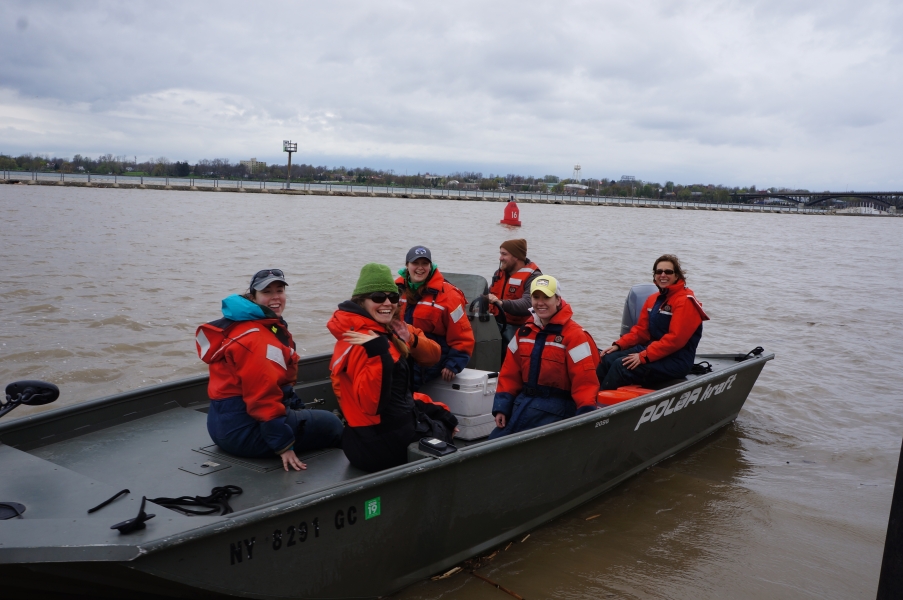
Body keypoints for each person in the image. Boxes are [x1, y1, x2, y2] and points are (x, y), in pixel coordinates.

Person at [197, 269, 344, 472]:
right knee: (332, 424)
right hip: (243, 432)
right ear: (252, 297)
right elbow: (262, 397)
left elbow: (276, 383)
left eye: (279, 290)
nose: (275, 297)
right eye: (267, 292)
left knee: (308, 415)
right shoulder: (257, 339)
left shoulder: (251, 324)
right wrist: (283, 445)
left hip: (222, 425)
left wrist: (296, 407)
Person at [327, 263, 459, 472]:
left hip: (370, 436)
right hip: (380, 445)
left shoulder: (382, 331)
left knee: (444, 415)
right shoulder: (366, 343)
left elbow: (403, 390)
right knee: (446, 434)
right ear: (361, 301)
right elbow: (373, 405)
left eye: (393, 297)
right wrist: (378, 353)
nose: (387, 303)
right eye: (378, 297)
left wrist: (437, 410)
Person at [489, 276, 600, 439]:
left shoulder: (575, 336)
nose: (540, 303)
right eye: (536, 297)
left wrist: (585, 416)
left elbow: (585, 381)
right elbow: (509, 372)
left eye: (546, 297)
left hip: (558, 411)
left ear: (558, 299)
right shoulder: (523, 333)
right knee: (494, 442)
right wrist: (502, 407)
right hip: (523, 405)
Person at [597, 254, 709, 390]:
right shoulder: (653, 299)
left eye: (668, 272)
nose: (663, 275)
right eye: (659, 271)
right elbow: (641, 332)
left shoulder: (685, 301)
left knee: (621, 366)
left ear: (677, 276)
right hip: (653, 350)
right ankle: (587, 402)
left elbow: (675, 340)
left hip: (677, 360)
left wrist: (644, 356)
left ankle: (602, 406)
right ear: (654, 275)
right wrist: (619, 345)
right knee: (607, 358)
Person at [395, 245, 475, 390]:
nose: (420, 268)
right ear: (407, 266)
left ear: (431, 266)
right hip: (402, 352)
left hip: (431, 360)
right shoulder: (395, 290)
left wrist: (453, 364)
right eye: (415, 263)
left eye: (424, 263)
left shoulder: (450, 295)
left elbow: (462, 335)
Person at [486, 238, 542, 351]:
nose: (500, 258)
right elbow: (488, 293)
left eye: (504, 254)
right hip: (495, 325)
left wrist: (501, 303)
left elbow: (528, 303)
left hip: (519, 329)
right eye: (500, 253)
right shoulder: (499, 273)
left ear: (516, 256)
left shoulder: (533, 277)